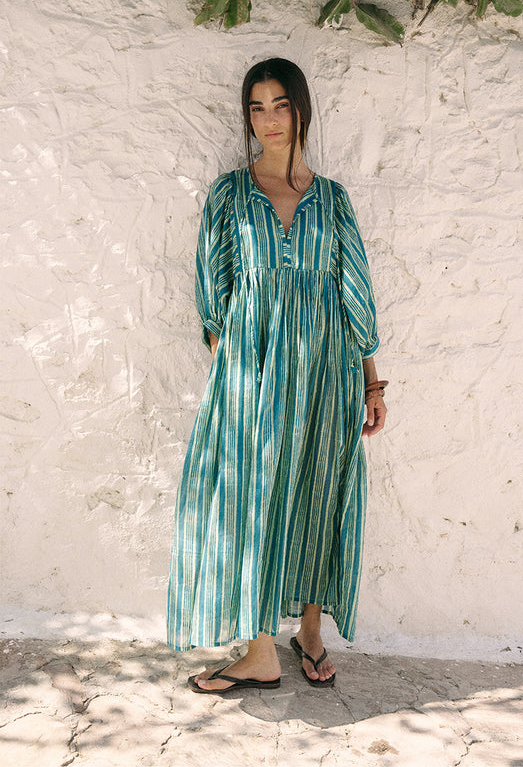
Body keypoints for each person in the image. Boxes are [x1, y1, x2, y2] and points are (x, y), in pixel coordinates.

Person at [167, 58, 387, 694]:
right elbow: (215, 302)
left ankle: (310, 634)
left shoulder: (333, 199)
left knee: (320, 494)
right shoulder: (229, 197)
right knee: (255, 501)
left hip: (326, 372)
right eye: (257, 107)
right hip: (254, 379)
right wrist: (237, 381)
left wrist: (370, 380)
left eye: (281, 105)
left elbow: (356, 293)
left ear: (301, 111)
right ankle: (260, 650)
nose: (269, 119)